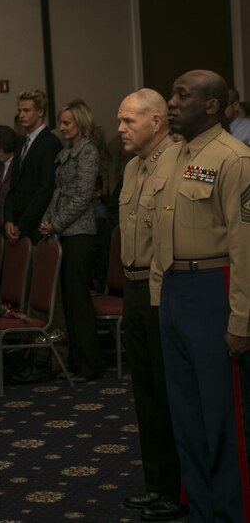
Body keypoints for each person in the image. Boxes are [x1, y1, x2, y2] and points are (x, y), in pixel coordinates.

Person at [152, 70, 250, 522]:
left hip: (215, 288)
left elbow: (245, 246)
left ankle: (232, 510)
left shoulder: (235, 158)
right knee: (186, 413)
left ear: (212, 106)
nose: (171, 102)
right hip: (175, 290)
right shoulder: (174, 154)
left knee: (222, 416)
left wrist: (241, 319)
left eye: (182, 95)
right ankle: (201, 508)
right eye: (173, 94)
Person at [115, 88, 185, 520]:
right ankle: (157, 485)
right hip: (134, 289)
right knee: (145, 394)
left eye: (128, 121)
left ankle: (179, 489)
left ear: (156, 122)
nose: (120, 128)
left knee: (169, 393)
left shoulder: (180, 162)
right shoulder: (130, 168)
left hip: (166, 289)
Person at [38, 100, 101, 382]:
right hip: (63, 232)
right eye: (61, 122)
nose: (61, 127)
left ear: (80, 121)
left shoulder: (88, 151)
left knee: (79, 301)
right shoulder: (67, 152)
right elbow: (58, 193)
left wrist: (57, 223)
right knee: (67, 302)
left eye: (66, 122)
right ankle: (75, 363)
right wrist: (47, 220)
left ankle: (89, 366)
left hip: (80, 233)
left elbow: (82, 197)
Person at [4, 89, 62, 245]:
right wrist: (8, 219)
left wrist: (22, 226)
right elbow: (13, 185)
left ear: (40, 112)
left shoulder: (50, 143)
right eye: (19, 111)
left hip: (36, 227)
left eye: (26, 110)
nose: (21, 115)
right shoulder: (22, 142)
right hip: (17, 224)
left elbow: (45, 189)